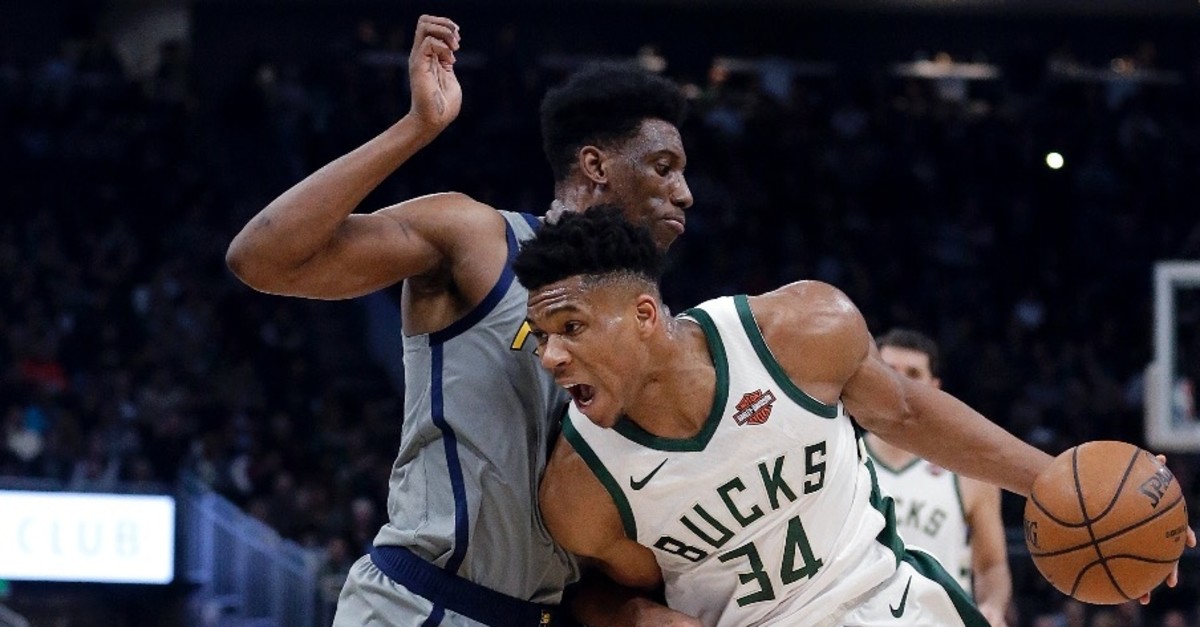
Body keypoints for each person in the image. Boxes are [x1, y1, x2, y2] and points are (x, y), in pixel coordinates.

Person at [226, 15, 696, 627]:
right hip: (419, 603)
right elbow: (260, 258)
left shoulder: (649, 324)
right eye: (664, 167)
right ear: (597, 166)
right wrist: (416, 129)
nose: (684, 193)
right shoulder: (480, 239)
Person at [514, 208, 1195, 626]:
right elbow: (603, 596)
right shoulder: (581, 487)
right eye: (542, 336)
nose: (551, 355)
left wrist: (1093, 500)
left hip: (891, 603)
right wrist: (635, 615)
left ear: (643, 316)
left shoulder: (796, 330)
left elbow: (905, 411)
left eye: (570, 326)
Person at [863, 329, 1012, 626]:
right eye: (889, 370)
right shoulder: (840, 457)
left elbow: (992, 565)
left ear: (934, 388)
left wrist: (992, 606)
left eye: (913, 373)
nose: (899, 381)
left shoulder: (968, 472)